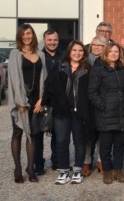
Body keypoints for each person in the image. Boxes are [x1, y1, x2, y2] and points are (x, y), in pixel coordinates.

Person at [42, 41, 91, 185]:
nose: (77, 53)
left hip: (80, 112)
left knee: (79, 141)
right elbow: (48, 86)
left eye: (80, 50)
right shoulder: (59, 67)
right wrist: (47, 104)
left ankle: (77, 170)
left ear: (84, 53)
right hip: (61, 112)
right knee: (61, 141)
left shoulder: (88, 69)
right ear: (69, 52)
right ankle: (63, 171)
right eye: (74, 50)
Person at [88, 43, 124, 184]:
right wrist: (103, 106)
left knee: (119, 144)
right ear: (106, 53)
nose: (114, 54)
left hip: (122, 113)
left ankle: (118, 170)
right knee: (106, 145)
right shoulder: (98, 69)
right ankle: (106, 171)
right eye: (111, 51)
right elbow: (92, 92)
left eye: (116, 51)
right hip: (105, 114)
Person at [8, 24, 48, 183]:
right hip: (20, 100)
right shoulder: (15, 54)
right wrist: (19, 102)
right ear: (20, 36)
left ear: (33, 35)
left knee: (32, 134)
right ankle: (17, 168)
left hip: (36, 100)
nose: (27, 36)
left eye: (29, 33)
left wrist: (41, 99)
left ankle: (30, 168)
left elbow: (44, 78)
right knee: (18, 132)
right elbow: (13, 79)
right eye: (23, 34)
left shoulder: (41, 54)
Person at [82, 35, 107, 177]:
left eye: (100, 45)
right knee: (88, 134)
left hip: (102, 102)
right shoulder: (84, 61)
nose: (97, 47)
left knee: (102, 133)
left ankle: (100, 160)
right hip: (86, 102)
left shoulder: (108, 61)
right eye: (94, 44)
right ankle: (86, 161)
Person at [40, 29, 64, 172]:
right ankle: (39, 163)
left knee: (57, 134)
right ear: (44, 40)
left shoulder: (64, 56)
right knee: (38, 133)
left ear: (58, 41)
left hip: (58, 101)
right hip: (42, 100)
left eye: (55, 40)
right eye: (49, 40)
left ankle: (57, 161)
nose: (52, 42)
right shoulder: (39, 56)